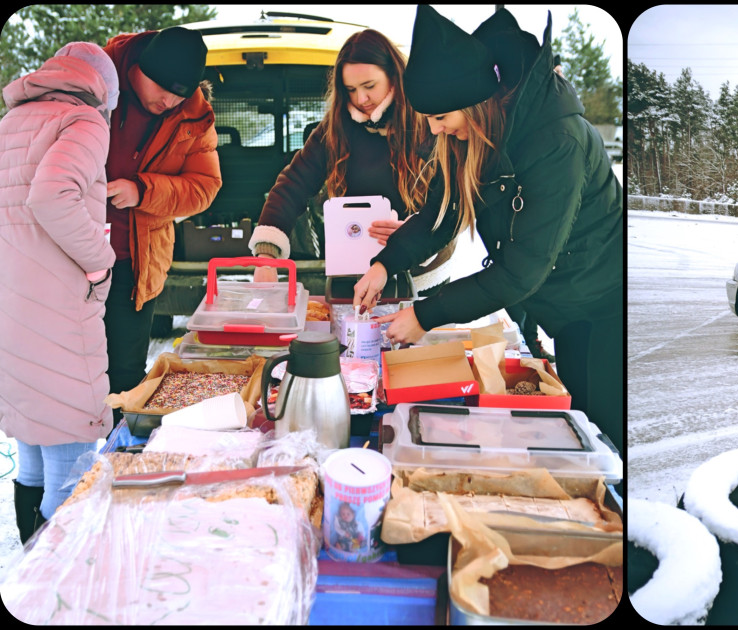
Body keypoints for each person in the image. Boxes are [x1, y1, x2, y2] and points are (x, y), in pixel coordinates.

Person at [354, 6, 624, 455]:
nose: (436, 130)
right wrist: (385, 264)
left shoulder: (557, 141)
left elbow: (521, 270)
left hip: (597, 301)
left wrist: (425, 316)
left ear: (475, 104)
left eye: (441, 118)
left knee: (598, 426)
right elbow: (441, 213)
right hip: (549, 291)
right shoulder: (471, 133)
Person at [0, 42, 120, 543]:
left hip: (12, 304)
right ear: (104, 92)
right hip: (57, 308)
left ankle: (30, 567)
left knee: (33, 442)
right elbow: (51, 194)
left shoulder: (13, 122)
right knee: (70, 459)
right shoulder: (84, 122)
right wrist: (100, 259)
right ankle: (57, 598)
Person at [250, 29, 460, 298]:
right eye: (351, 90)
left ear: (394, 76)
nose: (361, 99)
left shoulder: (429, 122)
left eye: (369, 86)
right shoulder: (336, 129)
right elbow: (292, 185)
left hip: (424, 280)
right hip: (359, 277)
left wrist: (416, 235)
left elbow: (454, 202)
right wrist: (267, 253)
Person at [101, 26, 222, 422]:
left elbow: (204, 187)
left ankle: (120, 466)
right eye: (161, 88)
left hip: (136, 266)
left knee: (126, 379)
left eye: (180, 93)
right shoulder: (96, 79)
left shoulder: (194, 115)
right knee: (68, 377)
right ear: (136, 68)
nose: (168, 100)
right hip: (72, 260)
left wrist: (143, 191)